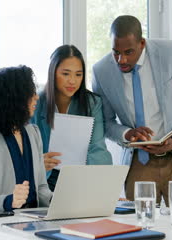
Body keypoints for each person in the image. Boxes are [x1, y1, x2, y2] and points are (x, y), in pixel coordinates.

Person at [92, 15, 172, 205]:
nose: (121, 59)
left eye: (128, 52)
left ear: (142, 43)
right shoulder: (101, 71)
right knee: (140, 227)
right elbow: (106, 122)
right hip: (138, 163)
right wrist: (127, 134)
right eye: (115, 52)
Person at [0, 65, 52, 211]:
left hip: (36, 223)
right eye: (30, 93)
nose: (36, 96)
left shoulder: (33, 132)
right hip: (2, 225)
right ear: (14, 98)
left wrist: (57, 200)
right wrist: (9, 201)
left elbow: (41, 188)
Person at [31, 45, 113, 191]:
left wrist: (103, 186)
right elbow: (25, 150)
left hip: (81, 178)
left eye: (78, 74)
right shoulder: (36, 103)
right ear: (53, 72)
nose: (72, 81)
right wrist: (38, 163)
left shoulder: (92, 103)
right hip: (45, 179)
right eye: (66, 74)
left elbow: (97, 148)